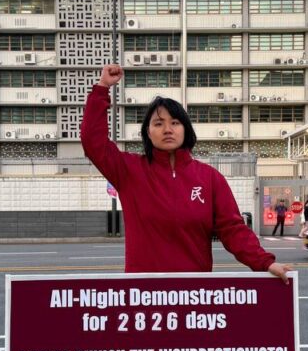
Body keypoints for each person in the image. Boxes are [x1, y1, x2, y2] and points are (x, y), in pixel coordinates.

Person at [81, 65, 292, 282]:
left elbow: (232, 229)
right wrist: (102, 87)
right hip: (143, 294)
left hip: (193, 294)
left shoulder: (210, 178)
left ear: (186, 129)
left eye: (175, 123)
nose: (168, 129)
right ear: (148, 132)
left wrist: (265, 262)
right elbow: (92, 142)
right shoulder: (129, 170)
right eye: (158, 123)